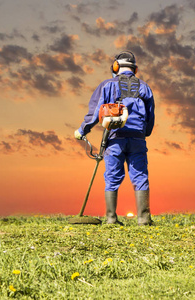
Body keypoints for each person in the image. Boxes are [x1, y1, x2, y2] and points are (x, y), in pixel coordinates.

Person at [74, 51, 155, 225]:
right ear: (135, 68)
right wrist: (144, 133)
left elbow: (95, 112)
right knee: (140, 175)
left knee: (112, 176)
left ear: (115, 67)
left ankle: (111, 218)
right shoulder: (145, 87)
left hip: (115, 138)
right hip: (138, 139)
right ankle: (144, 219)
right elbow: (150, 117)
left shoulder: (106, 85)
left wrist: (82, 130)